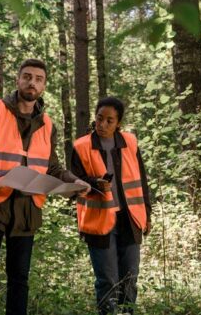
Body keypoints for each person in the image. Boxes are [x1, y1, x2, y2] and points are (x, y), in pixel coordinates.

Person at [0, 58, 90, 315]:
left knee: (20, 280)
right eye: (27, 76)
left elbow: (52, 166)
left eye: (38, 79)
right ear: (18, 79)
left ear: (44, 86)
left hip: (27, 211)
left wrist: (73, 181)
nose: (31, 82)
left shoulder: (47, 124)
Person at [71, 96, 152, 315]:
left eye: (109, 120)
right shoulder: (80, 146)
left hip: (130, 219)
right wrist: (93, 183)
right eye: (99, 118)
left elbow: (142, 181)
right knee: (107, 280)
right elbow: (72, 185)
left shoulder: (130, 142)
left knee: (129, 279)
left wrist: (148, 215)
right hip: (99, 223)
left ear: (118, 123)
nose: (103, 125)